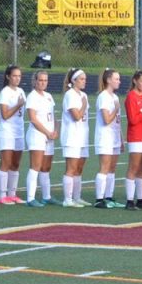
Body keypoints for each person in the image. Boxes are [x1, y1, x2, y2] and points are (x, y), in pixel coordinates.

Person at [24, 69, 58, 207]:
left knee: (46, 167)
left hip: (49, 135)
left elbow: (53, 116)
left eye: (45, 80)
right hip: (37, 134)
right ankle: (30, 198)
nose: (43, 83)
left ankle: (46, 196)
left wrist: (55, 131)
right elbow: (33, 118)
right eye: (40, 80)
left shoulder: (49, 96)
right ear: (35, 81)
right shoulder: (32, 96)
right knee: (36, 166)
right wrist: (47, 132)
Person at [0, 65, 27, 204]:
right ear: (8, 77)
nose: (17, 79)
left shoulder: (21, 91)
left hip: (19, 131)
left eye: (19, 76)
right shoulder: (5, 92)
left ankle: (12, 193)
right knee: (6, 163)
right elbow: (5, 115)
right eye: (14, 76)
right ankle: (2, 195)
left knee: (15, 163)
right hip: (7, 131)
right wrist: (18, 105)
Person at [124, 70, 142, 209]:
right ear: (135, 81)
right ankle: (130, 200)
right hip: (136, 136)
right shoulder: (131, 97)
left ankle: (140, 199)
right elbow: (133, 120)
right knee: (133, 168)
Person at [93, 69, 123, 209]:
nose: (119, 81)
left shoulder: (115, 97)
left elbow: (117, 122)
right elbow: (106, 120)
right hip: (105, 137)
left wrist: (121, 139)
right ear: (108, 80)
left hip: (114, 137)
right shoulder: (103, 97)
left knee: (112, 168)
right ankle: (99, 199)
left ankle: (109, 196)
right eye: (116, 79)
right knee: (104, 168)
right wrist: (116, 109)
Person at [60, 68, 89, 208]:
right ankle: (68, 199)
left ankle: (77, 197)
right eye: (81, 79)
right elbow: (76, 116)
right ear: (74, 80)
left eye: (85, 79)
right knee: (71, 168)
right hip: (72, 136)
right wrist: (83, 105)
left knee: (79, 168)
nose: (84, 81)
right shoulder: (70, 95)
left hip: (82, 136)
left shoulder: (83, 95)